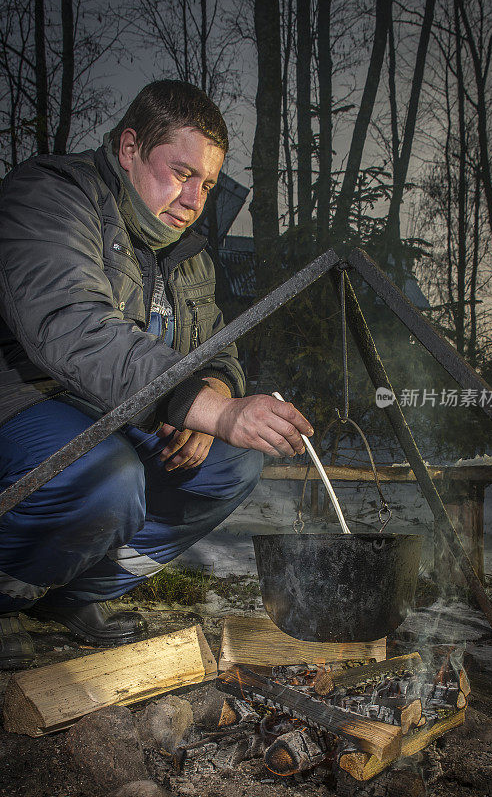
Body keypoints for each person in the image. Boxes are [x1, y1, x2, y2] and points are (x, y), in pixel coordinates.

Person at [0, 80, 313, 668]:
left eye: (208, 184)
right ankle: (5, 593)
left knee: (233, 462)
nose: (194, 198)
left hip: (117, 416)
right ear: (129, 148)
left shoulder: (187, 253)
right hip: (25, 407)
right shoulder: (51, 195)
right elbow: (72, 329)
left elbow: (215, 349)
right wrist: (209, 407)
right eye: (181, 172)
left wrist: (216, 391)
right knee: (110, 478)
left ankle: (73, 595)